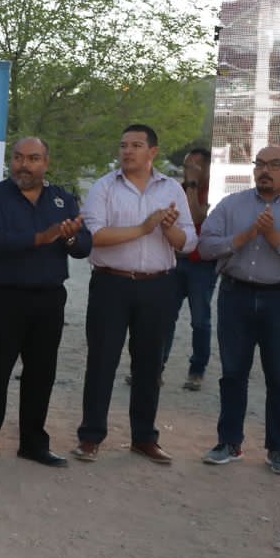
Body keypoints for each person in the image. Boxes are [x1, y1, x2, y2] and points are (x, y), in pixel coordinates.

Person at [197, 144, 280, 475]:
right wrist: (243, 237)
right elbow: (206, 246)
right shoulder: (231, 205)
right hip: (235, 295)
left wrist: (274, 236)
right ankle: (229, 442)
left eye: (274, 164)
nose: (265, 171)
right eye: (259, 164)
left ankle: (279, 449)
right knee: (232, 374)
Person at [0, 137, 91, 468]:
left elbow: (84, 246)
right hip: (5, 299)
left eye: (33, 158)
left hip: (49, 300)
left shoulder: (62, 199)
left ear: (46, 163)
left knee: (41, 375)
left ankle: (33, 445)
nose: (24, 165)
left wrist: (70, 237)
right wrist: (41, 238)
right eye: (19, 158)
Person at [73, 124, 196, 465]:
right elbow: (94, 236)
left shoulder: (171, 188)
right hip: (111, 284)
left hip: (158, 285)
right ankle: (90, 437)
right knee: (101, 362)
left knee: (149, 365)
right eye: (124, 145)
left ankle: (144, 438)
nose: (127, 151)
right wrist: (145, 227)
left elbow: (188, 242)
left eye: (136, 145)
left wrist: (168, 228)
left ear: (153, 152)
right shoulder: (104, 186)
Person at [162, 147, 219, 391]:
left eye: (195, 165)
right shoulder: (176, 190)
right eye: (187, 166)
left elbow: (196, 216)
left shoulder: (213, 193)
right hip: (175, 261)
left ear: (207, 167)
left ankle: (197, 371)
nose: (189, 170)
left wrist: (193, 185)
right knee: (165, 317)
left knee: (200, 320)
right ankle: (156, 367)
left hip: (202, 265)